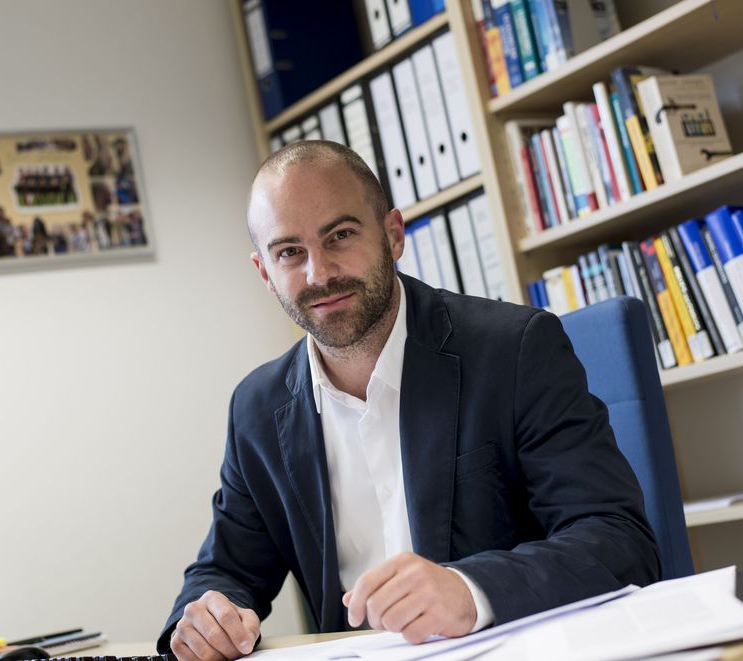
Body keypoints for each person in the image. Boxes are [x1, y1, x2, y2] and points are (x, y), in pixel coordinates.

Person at [158, 141, 659, 661]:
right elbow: (227, 570)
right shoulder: (257, 409)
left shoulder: (515, 350)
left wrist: (470, 591)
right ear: (265, 272)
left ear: (393, 235)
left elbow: (618, 541)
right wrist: (206, 616)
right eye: (289, 252)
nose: (319, 273)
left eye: (341, 235)